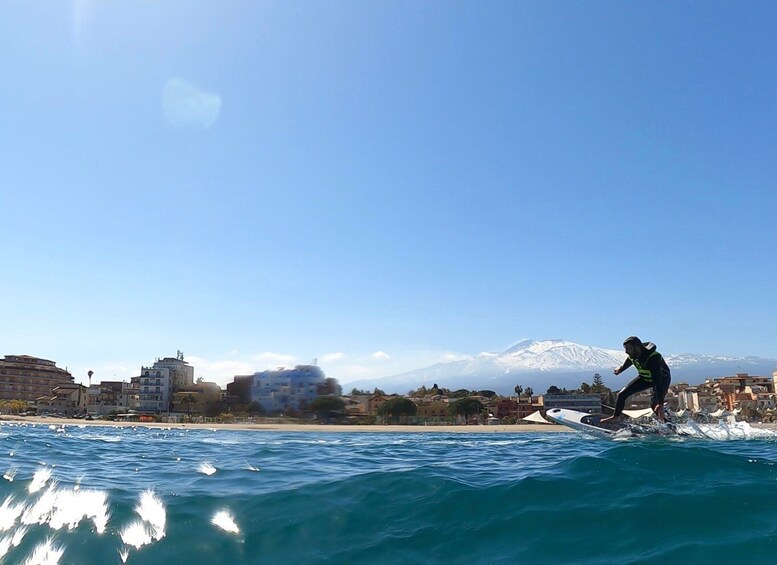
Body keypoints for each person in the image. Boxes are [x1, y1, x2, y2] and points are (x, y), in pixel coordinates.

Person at [602, 336, 671, 423]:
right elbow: (629, 361)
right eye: (625, 349)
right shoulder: (633, 355)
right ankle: (616, 416)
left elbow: (658, 381)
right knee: (622, 394)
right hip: (644, 378)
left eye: (628, 349)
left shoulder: (653, 357)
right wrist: (621, 369)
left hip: (661, 380)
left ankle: (669, 424)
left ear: (637, 347)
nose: (626, 351)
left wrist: (660, 404)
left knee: (655, 406)